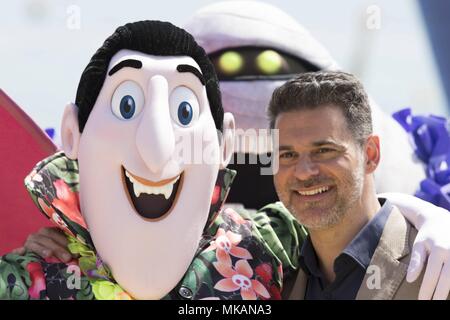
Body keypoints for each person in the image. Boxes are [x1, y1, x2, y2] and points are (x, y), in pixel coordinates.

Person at [268, 71, 449, 299]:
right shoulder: (273, 279)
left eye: (324, 151)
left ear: (370, 155)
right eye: (287, 155)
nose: (303, 173)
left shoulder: (440, 267)